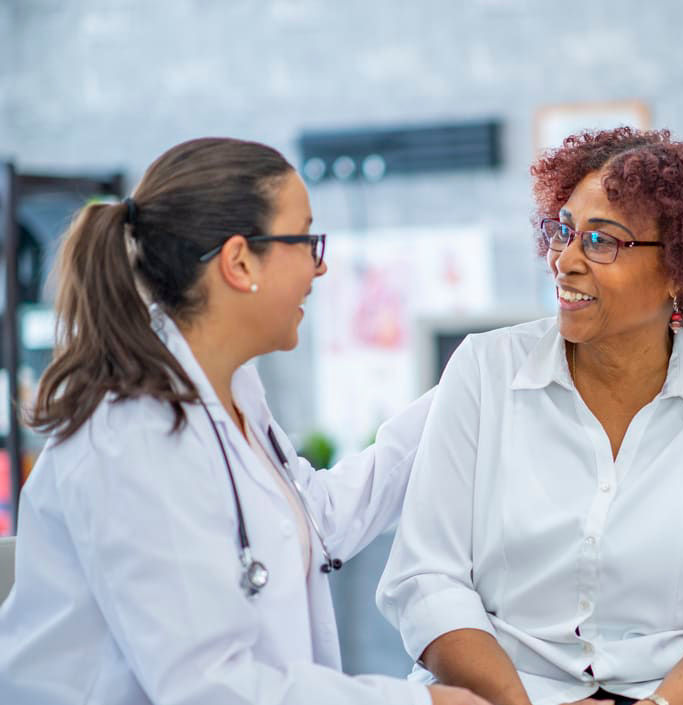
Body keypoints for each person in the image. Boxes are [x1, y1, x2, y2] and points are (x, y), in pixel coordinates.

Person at [0, 137, 486, 705]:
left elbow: (317, 518)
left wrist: (467, 387)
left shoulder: (230, 391)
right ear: (238, 261)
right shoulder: (133, 432)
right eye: (306, 239)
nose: (320, 264)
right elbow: (208, 687)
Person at [377, 128, 683, 705]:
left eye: (601, 242)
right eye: (563, 231)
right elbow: (427, 580)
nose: (564, 261)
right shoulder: (484, 371)